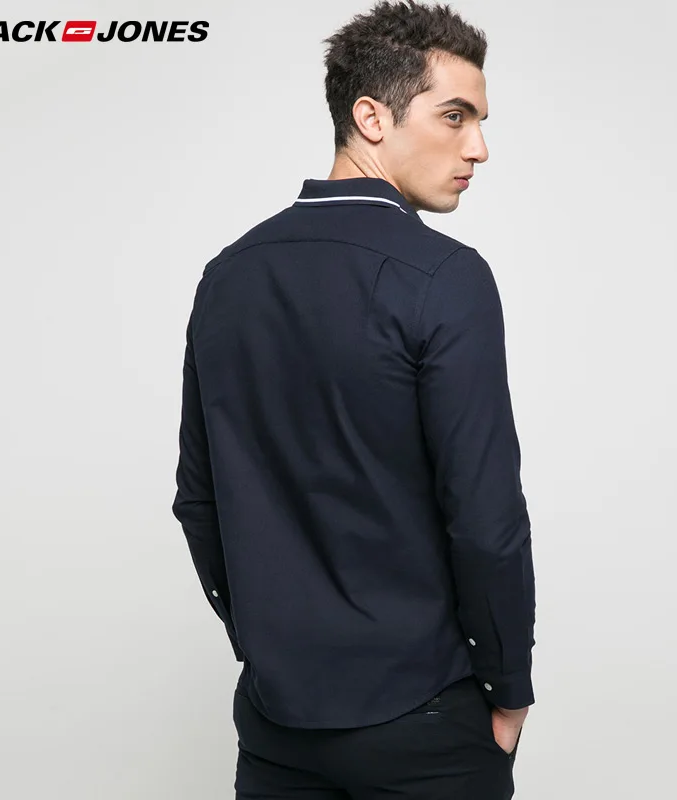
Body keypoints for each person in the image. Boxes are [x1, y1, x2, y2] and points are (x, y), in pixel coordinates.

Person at [171, 1, 536, 797]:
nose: (478, 146)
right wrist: (510, 687)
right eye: (455, 116)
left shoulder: (227, 276)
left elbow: (198, 502)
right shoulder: (446, 277)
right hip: (422, 716)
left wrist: (266, 648)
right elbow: (485, 518)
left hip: (275, 721)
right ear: (371, 117)